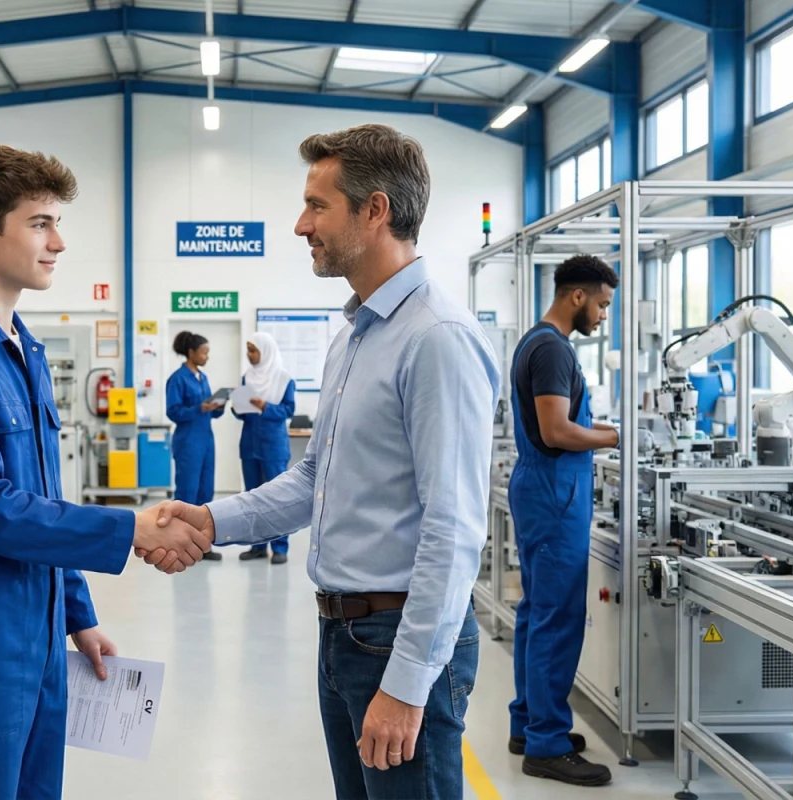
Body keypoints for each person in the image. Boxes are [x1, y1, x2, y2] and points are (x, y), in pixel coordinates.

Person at [141, 124, 500, 799]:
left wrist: (406, 680)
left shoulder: (436, 340)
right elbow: (315, 480)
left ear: (375, 210)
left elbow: (453, 529)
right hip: (343, 636)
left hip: (396, 638)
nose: (301, 224)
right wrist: (211, 521)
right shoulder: (356, 338)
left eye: (317, 205)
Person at [0, 144, 210, 800]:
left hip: (40, 622)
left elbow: (44, 497)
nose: (58, 242)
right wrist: (130, 529)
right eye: (39, 223)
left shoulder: (22, 348)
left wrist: (78, 614)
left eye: (57, 223)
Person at [505, 254, 618, 787]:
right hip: (554, 493)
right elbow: (556, 431)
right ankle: (547, 743)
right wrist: (617, 437)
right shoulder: (551, 348)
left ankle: (528, 725)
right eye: (601, 304)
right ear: (578, 296)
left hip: (544, 489)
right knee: (556, 616)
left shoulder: (536, 340)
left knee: (536, 612)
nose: (602, 315)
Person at [233, 332, 297, 564]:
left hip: (273, 446)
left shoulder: (283, 378)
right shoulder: (246, 378)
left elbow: (288, 410)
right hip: (250, 444)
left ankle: (280, 547)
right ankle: (257, 546)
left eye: (253, 350)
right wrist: (237, 407)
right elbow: (242, 413)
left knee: (278, 498)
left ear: (266, 351)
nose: (250, 355)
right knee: (253, 498)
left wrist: (265, 407)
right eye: (248, 350)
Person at [167, 331, 225, 561]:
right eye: (204, 352)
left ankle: (202, 546)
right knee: (186, 494)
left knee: (205, 492)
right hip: (188, 442)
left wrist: (218, 406)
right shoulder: (178, 379)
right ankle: (179, 545)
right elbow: (173, 411)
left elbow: (211, 410)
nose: (207, 356)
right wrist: (197, 409)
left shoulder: (203, 377)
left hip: (206, 440)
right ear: (191, 353)